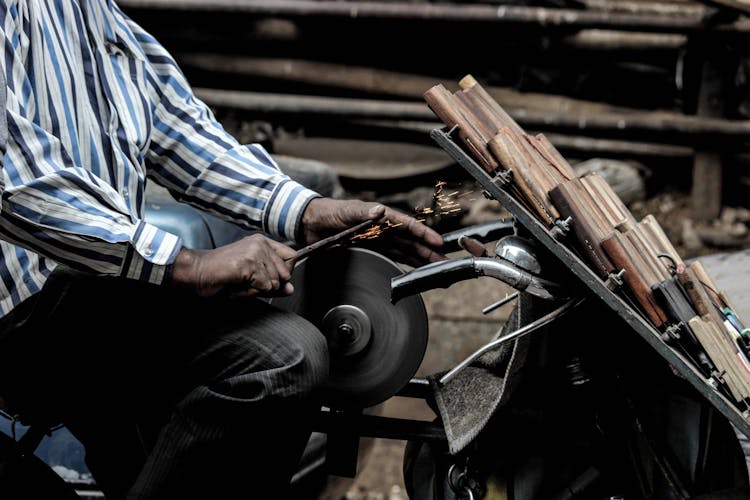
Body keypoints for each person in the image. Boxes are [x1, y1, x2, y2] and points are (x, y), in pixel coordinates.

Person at [0, 1, 446, 498]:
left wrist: (306, 211)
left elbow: (175, 126)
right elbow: (11, 181)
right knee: (278, 360)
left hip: (89, 287)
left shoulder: (83, 10)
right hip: (19, 313)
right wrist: (187, 265)